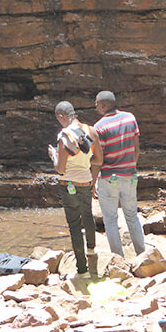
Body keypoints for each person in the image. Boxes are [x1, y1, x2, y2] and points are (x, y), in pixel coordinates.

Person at [48, 101, 103, 275]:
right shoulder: (91, 131)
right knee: (87, 215)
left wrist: (53, 156)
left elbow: (60, 168)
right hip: (86, 181)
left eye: (59, 119)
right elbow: (98, 160)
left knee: (74, 224)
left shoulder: (64, 136)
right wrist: (85, 162)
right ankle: (91, 250)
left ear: (62, 116)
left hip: (68, 184)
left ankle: (81, 267)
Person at [93, 90, 145, 257]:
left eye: (96, 103)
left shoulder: (99, 127)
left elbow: (99, 160)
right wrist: (131, 167)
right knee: (132, 216)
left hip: (109, 178)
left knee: (110, 219)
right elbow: (136, 149)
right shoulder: (130, 118)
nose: (95, 106)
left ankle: (118, 258)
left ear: (103, 105)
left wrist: (92, 182)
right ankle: (142, 254)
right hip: (130, 174)